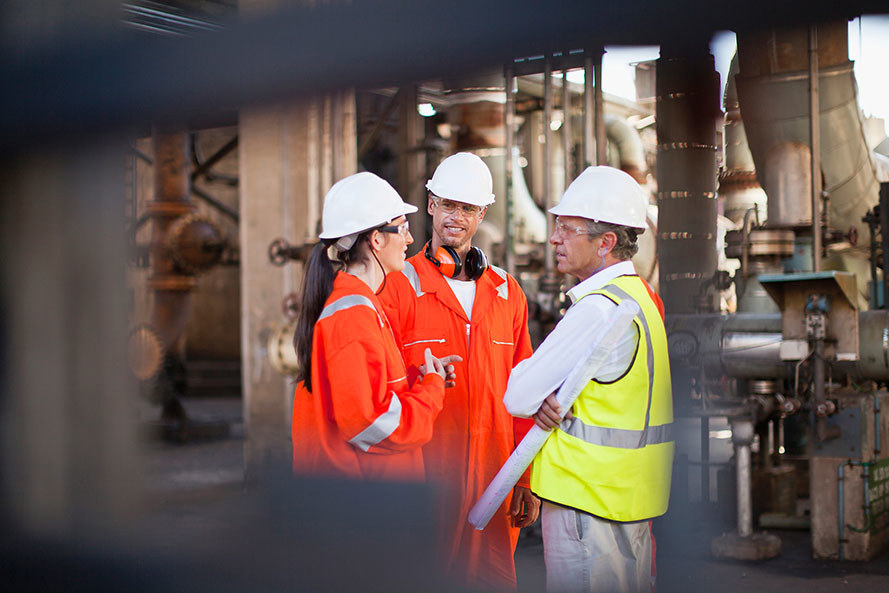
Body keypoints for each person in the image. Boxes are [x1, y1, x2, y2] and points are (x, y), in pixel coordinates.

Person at [503, 166, 674, 593]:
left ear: (606, 243)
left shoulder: (597, 309)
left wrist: (545, 392)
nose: (554, 239)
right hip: (630, 500)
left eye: (567, 229)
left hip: (586, 500)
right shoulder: (640, 299)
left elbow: (519, 395)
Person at [379, 152, 539, 590]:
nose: (456, 216)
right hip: (426, 480)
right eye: (448, 204)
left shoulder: (507, 294)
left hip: (495, 479)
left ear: (482, 213)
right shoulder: (398, 287)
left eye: (467, 208)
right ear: (430, 204)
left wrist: (525, 478)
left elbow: (526, 393)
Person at [291, 172, 460, 481]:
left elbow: (366, 393)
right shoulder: (352, 314)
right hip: (360, 506)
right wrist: (431, 389)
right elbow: (371, 424)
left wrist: (421, 377)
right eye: (403, 228)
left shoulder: (362, 304)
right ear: (377, 239)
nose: (409, 239)